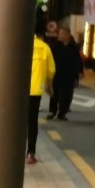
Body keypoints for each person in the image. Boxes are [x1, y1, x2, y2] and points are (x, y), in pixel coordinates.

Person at [27, 20, 56, 164]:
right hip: (36, 91)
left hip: (19, 92)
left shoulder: (22, 44)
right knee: (32, 123)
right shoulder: (45, 48)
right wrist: (49, 87)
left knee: (17, 122)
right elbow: (51, 71)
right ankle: (30, 153)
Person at [47, 27, 83, 121]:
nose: (60, 36)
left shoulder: (74, 47)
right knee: (55, 92)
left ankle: (62, 113)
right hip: (57, 73)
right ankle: (52, 111)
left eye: (63, 34)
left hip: (69, 74)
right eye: (60, 34)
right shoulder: (55, 46)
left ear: (68, 35)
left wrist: (80, 72)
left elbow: (78, 60)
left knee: (67, 94)